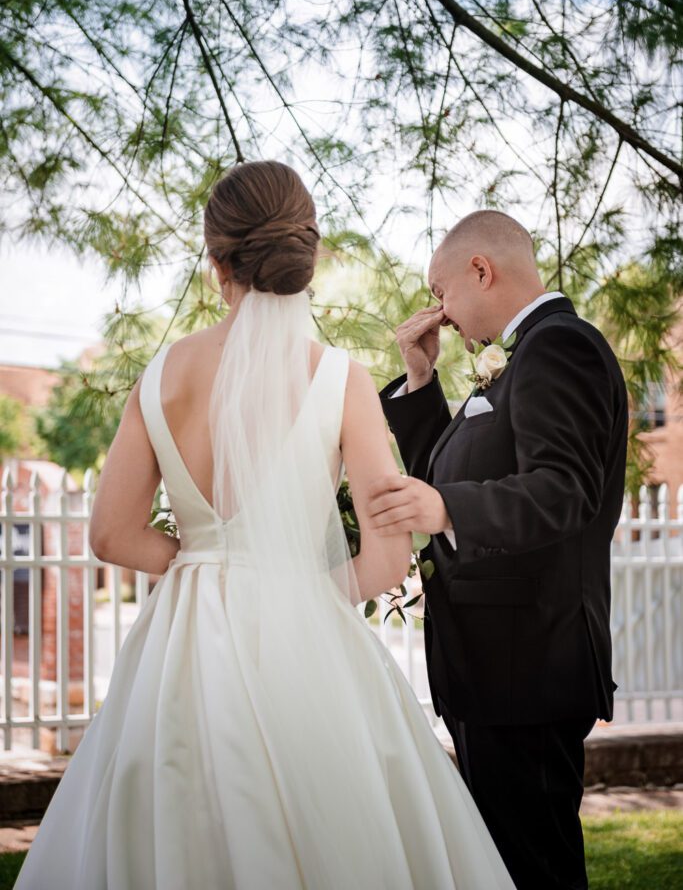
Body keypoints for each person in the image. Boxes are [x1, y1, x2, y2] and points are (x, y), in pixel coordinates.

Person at [15, 162, 515, 890]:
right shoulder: (337, 376)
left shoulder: (163, 373)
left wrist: (199, 558)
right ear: (304, 253)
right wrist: (296, 590)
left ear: (216, 259)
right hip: (305, 632)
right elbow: (385, 558)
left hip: (180, 646)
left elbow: (110, 536)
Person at [372, 210, 628, 890]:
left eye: (441, 290)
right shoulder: (519, 359)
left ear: (480, 270)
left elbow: (562, 489)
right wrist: (421, 381)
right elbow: (446, 479)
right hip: (495, 670)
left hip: (529, 666)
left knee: (532, 865)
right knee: (504, 863)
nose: (440, 313)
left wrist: (447, 507)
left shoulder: (557, 346)